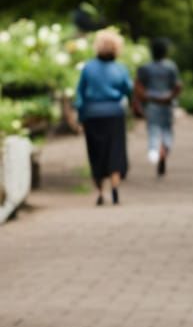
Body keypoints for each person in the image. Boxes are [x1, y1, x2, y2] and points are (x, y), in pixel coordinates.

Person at [74, 28, 133, 205]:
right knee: (115, 150)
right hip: (114, 114)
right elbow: (128, 90)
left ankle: (100, 191)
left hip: (92, 114)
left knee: (96, 152)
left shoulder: (88, 68)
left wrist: (80, 118)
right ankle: (115, 187)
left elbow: (80, 95)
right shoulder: (120, 68)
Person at [134, 37, 182, 176]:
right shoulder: (171, 67)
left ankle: (154, 150)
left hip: (151, 103)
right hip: (167, 104)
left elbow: (138, 86)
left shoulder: (145, 68)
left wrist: (139, 101)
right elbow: (177, 86)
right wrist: (170, 96)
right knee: (167, 130)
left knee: (153, 129)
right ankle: (164, 151)